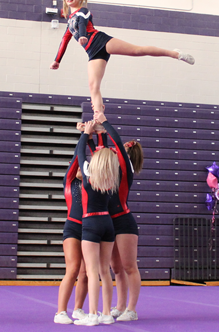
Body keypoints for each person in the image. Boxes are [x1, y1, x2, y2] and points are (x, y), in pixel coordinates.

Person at [50, 0, 194, 116]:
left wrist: (82, 35)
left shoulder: (83, 11)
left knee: (137, 51)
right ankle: (98, 117)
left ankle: (175, 54)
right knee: (93, 86)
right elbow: (65, 39)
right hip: (92, 52)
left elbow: (82, 23)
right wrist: (57, 60)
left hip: (101, 41)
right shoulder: (70, 20)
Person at [72, 119, 120, 326]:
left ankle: (92, 314)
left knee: (92, 271)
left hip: (91, 223)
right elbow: (95, 155)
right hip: (107, 224)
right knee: (104, 271)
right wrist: (91, 136)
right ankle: (107, 313)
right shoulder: (112, 177)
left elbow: (80, 154)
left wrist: (84, 135)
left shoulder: (90, 176)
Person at [97, 114, 143, 322]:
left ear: (126, 154)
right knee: (115, 268)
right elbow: (102, 150)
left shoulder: (126, 167)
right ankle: (120, 305)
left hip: (123, 220)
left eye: (120, 149)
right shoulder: (114, 167)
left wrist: (104, 121)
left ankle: (131, 309)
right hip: (109, 220)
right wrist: (97, 132)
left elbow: (114, 139)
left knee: (129, 266)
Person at [54, 125, 92, 324]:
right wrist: (85, 135)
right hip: (72, 227)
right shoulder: (69, 182)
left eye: (83, 166)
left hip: (88, 229)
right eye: (77, 165)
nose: (80, 168)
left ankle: (78, 309)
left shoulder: (89, 183)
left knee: (85, 273)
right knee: (73, 268)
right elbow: (78, 155)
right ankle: (61, 311)